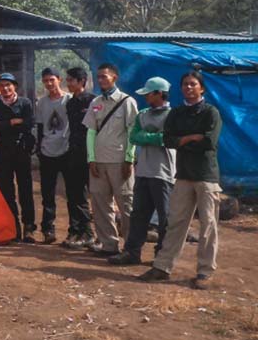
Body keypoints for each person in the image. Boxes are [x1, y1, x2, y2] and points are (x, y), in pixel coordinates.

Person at [139, 71, 222, 290]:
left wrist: (182, 140)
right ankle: (162, 267)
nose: (188, 87)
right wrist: (191, 138)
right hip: (183, 174)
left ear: (201, 88)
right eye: (185, 84)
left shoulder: (210, 112)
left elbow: (209, 142)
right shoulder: (176, 113)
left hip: (205, 175)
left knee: (208, 226)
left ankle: (205, 272)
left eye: (193, 84)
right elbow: (168, 140)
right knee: (176, 223)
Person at [109, 77, 174, 265]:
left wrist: (148, 137)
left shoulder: (173, 116)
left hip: (164, 172)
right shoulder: (143, 114)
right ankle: (132, 252)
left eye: (149, 94)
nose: (146, 97)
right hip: (144, 171)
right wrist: (153, 137)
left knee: (165, 218)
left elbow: (167, 139)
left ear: (159, 94)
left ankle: (162, 255)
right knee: (138, 214)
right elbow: (134, 136)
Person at [82, 63, 138, 255]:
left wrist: (129, 158)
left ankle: (131, 248)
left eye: (105, 76)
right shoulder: (96, 102)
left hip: (119, 162)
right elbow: (90, 132)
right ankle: (109, 245)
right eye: (98, 77)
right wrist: (91, 158)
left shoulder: (127, 102)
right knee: (100, 204)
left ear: (115, 77)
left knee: (126, 204)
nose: (101, 80)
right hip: (98, 162)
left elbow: (133, 131)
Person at [0, 73, 36, 242]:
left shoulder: (25, 103)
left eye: (8, 85)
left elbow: (29, 123)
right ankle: (13, 227)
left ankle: (29, 227)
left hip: (22, 150)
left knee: (25, 189)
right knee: (6, 191)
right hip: (3, 151)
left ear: (15, 86)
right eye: (1, 85)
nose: (5, 88)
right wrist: (12, 122)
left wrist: (6, 124)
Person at [35, 67, 72, 244]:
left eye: (52, 80)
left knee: (72, 193)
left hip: (66, 151)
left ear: (59, 79)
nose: (49, 84)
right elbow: (41, 127)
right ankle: (48, 229)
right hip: (47, 152)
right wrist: (40, 148)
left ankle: (75, 230)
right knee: (47, 194)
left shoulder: (69, 100)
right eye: (45, 81)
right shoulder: (41, 103)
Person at [62, 67, 95, 248]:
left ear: (81, 81)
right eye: (67, 80)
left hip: (90, 154)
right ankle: (80, 231)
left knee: (96, 195)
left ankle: (95, 234)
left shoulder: (92, 101)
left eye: (71, 80)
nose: (68, 84)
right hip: (73, 153)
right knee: (75, 194)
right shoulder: (70, 103)